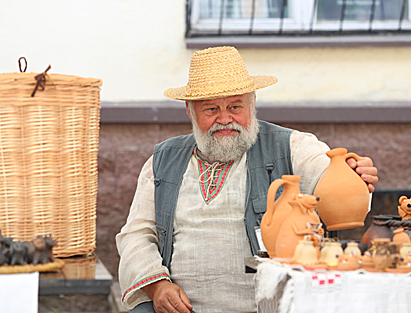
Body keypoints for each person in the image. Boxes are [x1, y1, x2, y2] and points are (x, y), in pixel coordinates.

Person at [116, 46, 378, 313]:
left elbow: (336, 185)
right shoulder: (163, 161)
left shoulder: (292, 146)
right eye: (211, 109)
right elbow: (136, 235)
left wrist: (354, 175)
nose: (225, 119)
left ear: (252, 103)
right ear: (190, 111)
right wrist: (158, 286)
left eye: (235, 106)